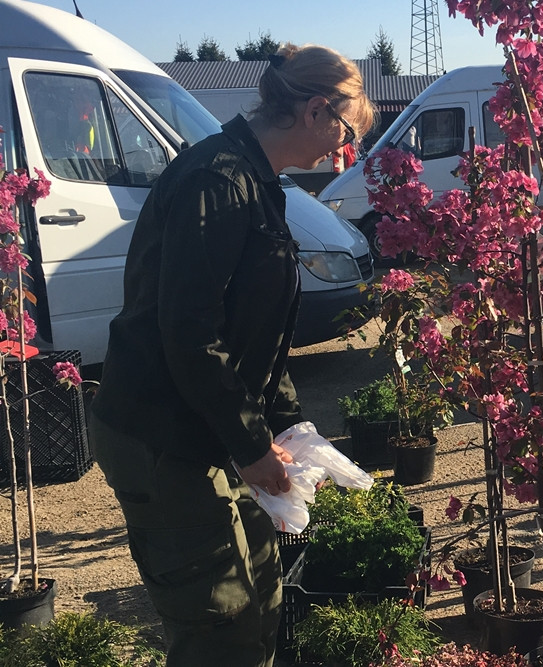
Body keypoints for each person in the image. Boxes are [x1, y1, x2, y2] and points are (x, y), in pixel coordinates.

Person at [88, 43, 375, 667]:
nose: (340, 151)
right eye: (346, 133)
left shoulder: (256, 179)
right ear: (317, 110)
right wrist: (249, 445)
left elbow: (257, 330)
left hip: (202, 423)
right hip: (163, 434)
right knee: (219, 624)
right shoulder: (217, 180)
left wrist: (289, 427)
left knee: (262, 598)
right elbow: (189, 332)